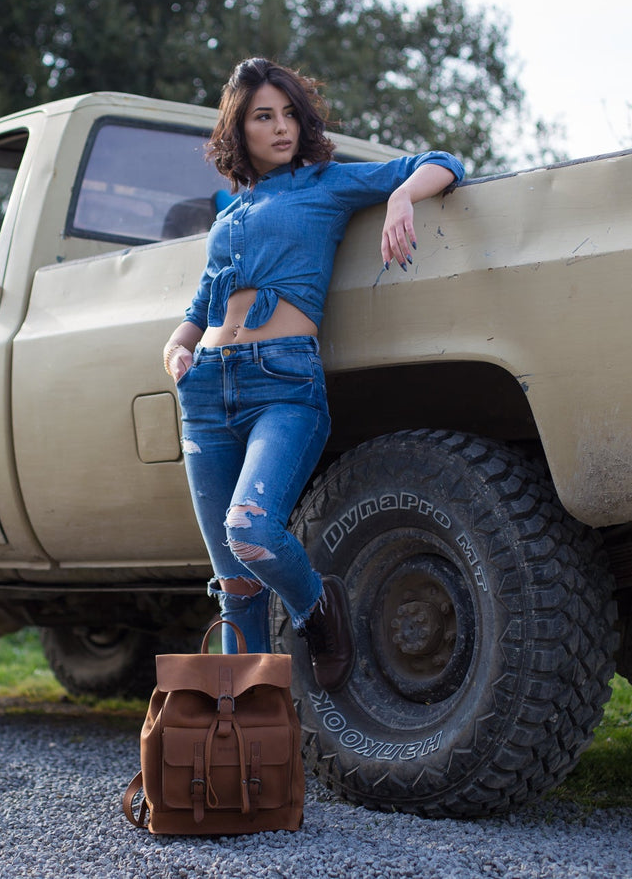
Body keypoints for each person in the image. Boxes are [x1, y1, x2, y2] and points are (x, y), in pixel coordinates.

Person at [161, 57, 464, 692]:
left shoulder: (324, 184)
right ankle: (241, 743)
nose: (280, 128)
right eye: (262, 117)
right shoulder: (232, 212)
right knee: (235, 587)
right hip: (206, 392)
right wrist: (178, 348)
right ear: (238, 129)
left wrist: (403, 196)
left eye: (289, 114)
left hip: (283, 386)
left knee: (249, 528)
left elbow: (441, 161)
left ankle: (315, 610)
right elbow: (202, 303)